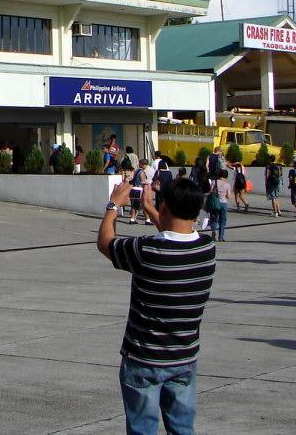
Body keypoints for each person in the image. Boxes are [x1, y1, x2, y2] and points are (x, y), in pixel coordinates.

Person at [97, 177, 216, 435]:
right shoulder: (208, 248)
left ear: (166, 207)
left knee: (142, 429)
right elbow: (177, 232)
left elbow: (106, 242)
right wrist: (151, 208)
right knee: (183, 429)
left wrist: (113, 206)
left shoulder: (146, 250)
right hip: (184, 357)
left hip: (144, 359)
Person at [209, 170, 231, 242]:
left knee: (214, 219)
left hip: (215, 203)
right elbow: (228, 196)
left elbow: (210, 191)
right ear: (226, 176)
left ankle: (213, 233)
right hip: (223, 203)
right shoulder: (227, 184)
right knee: (222, 221)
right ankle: (221, 237)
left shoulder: (213, 182)